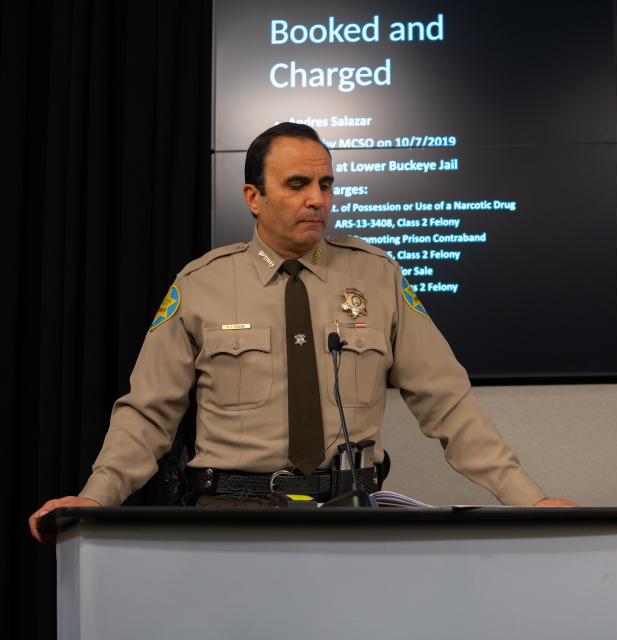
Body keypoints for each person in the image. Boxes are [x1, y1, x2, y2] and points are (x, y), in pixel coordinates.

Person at [29, 123, 572, 540]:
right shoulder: (201, 285)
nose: (318, 198)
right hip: (231, 519)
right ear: (253, 197)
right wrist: (95, 497)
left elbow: (447, 403)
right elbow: (148, 413)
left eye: (325, 183)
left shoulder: (377, 278)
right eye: (297, 184)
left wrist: (527, 498)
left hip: (350, 513)